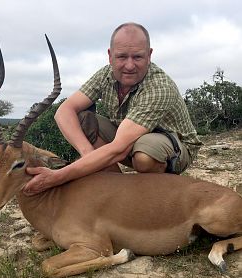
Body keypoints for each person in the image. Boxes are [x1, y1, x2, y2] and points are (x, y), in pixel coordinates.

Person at [23, 22, 202, 196]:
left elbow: (119, 149)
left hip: (174, 148)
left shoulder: (159, 87)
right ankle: (116, 192)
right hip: (129, 136)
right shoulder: (106, 74)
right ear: (110, 56)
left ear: (149, 55)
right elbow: (64, 111)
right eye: (122, 57)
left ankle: (155, 196)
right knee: (82, 119)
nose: (129, 65)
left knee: (145, 155)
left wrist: (57, 177)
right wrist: (88, 154)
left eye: (137, 57)